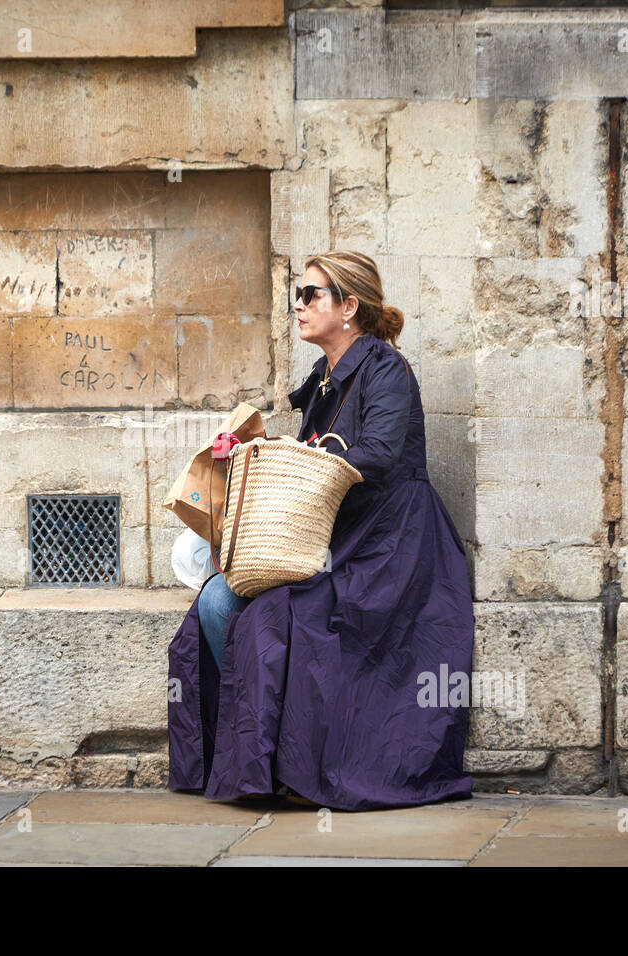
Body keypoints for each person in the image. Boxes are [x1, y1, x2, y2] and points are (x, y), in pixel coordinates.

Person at [168, 249, 476, 812]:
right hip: (338, 537)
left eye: (311, 294)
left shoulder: (386, 369)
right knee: (215, 600)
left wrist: (304, 455)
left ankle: (290, 764)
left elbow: (380, 454)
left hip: (390, 546)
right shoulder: (325, 378)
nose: (299, 305)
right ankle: (257, 756)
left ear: (349, 306)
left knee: (268, 617)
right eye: (299, 294)